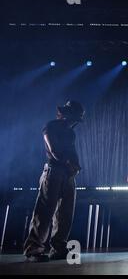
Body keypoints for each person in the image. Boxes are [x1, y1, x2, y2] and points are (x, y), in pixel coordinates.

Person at [23, 101, 85, 262]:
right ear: (66, 114)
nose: (75, 122)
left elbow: (73, 152)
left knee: (65, 213)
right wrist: (69, 164)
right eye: (74, 118)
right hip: (53, 172)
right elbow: (54, 150)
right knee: (44, 212)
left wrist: (76, 167)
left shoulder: (71, 132)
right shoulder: (50, 126)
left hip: (68, 174)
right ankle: (33, 250)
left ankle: (58, 247)